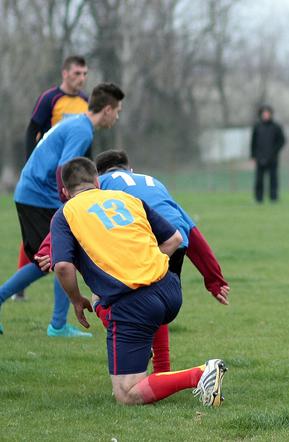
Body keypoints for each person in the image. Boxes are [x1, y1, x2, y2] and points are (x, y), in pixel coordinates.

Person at [50, 157, 228, 406]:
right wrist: (149, 263)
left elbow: (62, 266)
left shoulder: (65, 213)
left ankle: (200, 374)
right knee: (103, 298)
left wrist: (75, 299)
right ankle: (144, 354)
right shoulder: (129, 199)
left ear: (64, 191)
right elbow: (175, 239)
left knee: (127, 393)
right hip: (170, 290)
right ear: (97, 181)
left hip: (134, 304)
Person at [0, 83, 124, 337]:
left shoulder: (78, 123)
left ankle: (57, 323)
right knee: (54, 257)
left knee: (55, 256)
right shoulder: (83, 130)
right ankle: (56, 325)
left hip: (34, 194)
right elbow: (62, 169)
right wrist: (69, 205)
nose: (117, 117)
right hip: (38, 196)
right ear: (108, 110)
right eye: (118, 111)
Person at [94, 149, 230, 372]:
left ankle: (133, 340)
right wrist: (213, 279)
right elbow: (192, 231)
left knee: (102, 297)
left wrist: (50, 249)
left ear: (97, 174)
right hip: (176, 241)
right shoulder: (153, 182)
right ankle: (162, 370)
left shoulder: (100, 184)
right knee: (157, 302)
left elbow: (74, 213)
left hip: (146, 240)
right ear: (130, 170)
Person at [12, 55, 89, 302]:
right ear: (65, 73)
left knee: (54, 241)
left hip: (66, 179)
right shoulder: (50, 98)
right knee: (51, 244)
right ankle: (17, 290)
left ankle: (57, 319)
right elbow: (32, 130)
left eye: (85, 74)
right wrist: (29, 163)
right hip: (45, 180)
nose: (82, 78)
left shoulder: (86, 103)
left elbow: (82, 147)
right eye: (77, 73)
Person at [250, 105, 286, 203]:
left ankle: (273, 198)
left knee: (273, 179)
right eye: (264, 113)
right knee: (259, 180)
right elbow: (253, 142)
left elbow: (282, 141)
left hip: (272, 158)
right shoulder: (257, 127)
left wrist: (275, 151)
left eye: (267, 113)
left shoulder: (276, 127)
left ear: (270, 114)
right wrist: (253, 156)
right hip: (260, 157)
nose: (265, 115)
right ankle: (258, 199)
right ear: (261, 114)